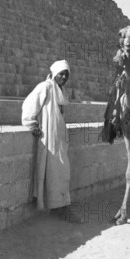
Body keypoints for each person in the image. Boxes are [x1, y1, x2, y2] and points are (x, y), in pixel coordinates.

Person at [21, 60, 83, 223]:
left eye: (66, 74)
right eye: (61, 74)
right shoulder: (45, 87)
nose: (64, 77)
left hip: (59, 140)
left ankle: (61, 206)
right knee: (55, 173)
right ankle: (60, 208)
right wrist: (31, 123)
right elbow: (29, 104)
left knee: (61, 172)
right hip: (48, 139)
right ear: (54, 74)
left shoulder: (61, 91)